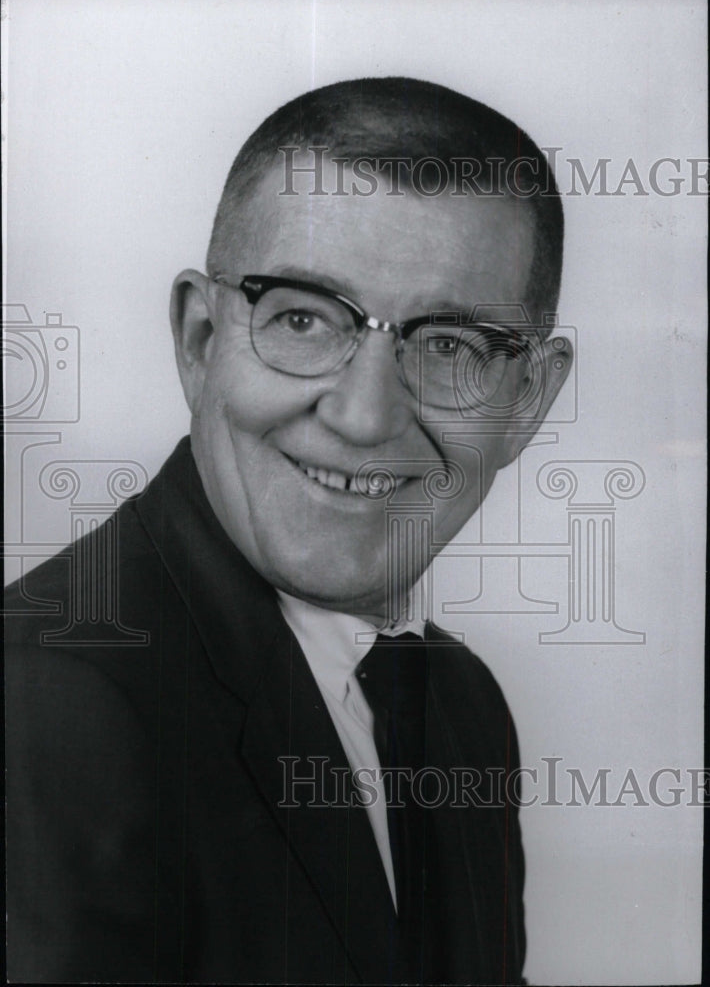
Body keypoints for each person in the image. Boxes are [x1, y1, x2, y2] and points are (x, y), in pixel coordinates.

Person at [5, 76, 571, 984]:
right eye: (303, 318)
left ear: (529, 401)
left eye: (450, 344)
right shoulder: (43, 706)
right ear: (199, 339)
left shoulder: (461, 707)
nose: (362, 416)